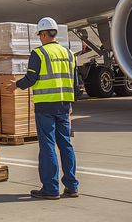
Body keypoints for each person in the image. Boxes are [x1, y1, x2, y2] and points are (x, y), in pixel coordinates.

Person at [6, 17, 79, 199]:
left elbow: (31, 79)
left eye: (40, 35)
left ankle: (51, 188)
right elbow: (76, 84)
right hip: (64, 104)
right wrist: (71, 105)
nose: (40, 38)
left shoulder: (39, 54)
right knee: (66, 145)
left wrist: (16, 85)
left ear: (45, 34)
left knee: (47, 146)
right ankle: (71, 186)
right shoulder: (69, 54)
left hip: (46, 105)